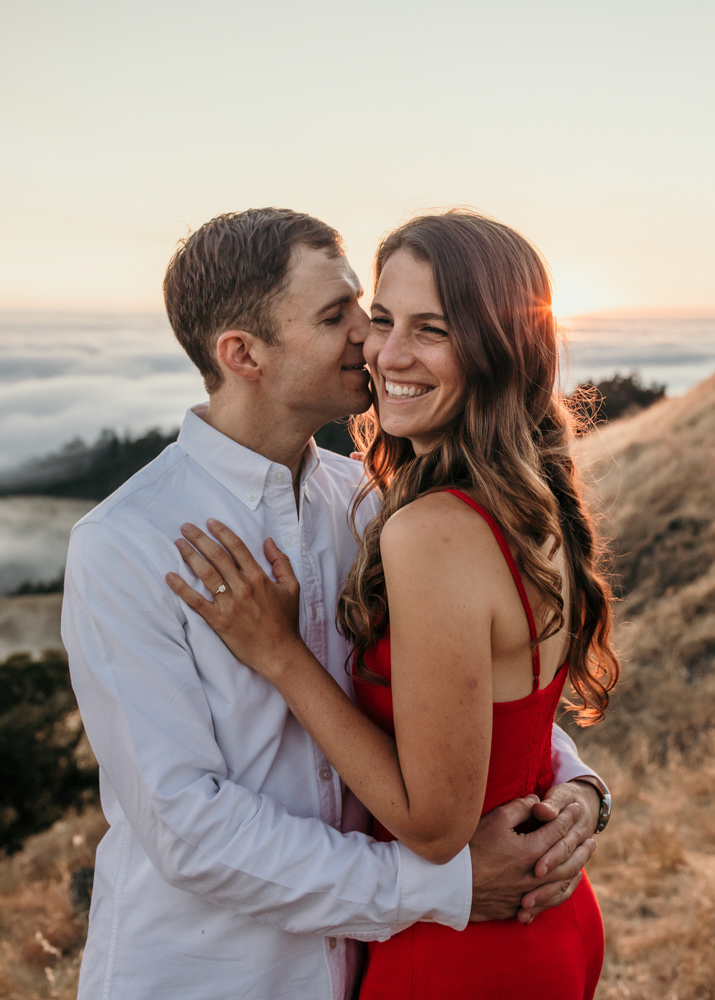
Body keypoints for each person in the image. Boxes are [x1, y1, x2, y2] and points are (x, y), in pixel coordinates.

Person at [63, 208, 608, 1000]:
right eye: (337, 317)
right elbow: (191, 831)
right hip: (213, 976)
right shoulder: (127, 544)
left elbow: (459, 691)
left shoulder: (368, 501)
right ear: (242, 354)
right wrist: (440, 886)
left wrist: (577, 788)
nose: (369, 337)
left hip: (378, 963)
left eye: (366, 307)